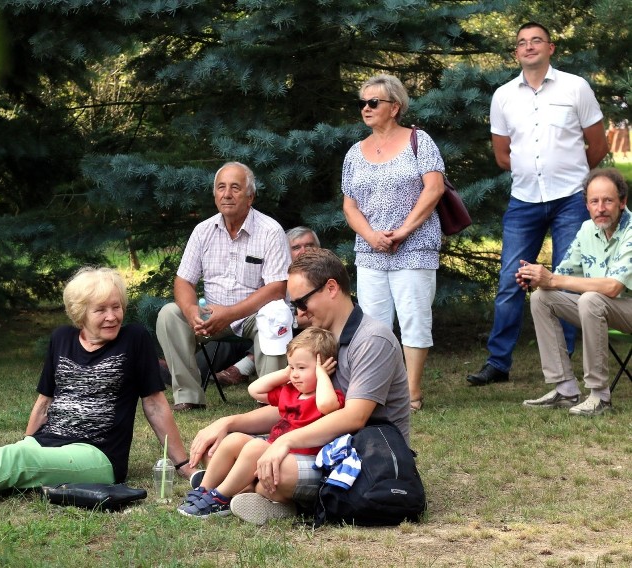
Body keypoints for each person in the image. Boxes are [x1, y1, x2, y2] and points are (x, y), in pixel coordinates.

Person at [0, 267, 195, 510]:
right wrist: (27, 443)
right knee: (13, 465)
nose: (112, 316)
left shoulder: (134, 339)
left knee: (16, 463)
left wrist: (182, 463)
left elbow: (154, 403)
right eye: (101, 309)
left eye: (116, 307)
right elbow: (44, 402)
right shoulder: (61, 339)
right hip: (48, 441)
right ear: (81, 312)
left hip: (98, 456)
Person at [187, 248, 409, 525]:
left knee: (278, 471)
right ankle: (251, 491)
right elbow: (295, 408)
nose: (299, 313)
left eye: (302, 303)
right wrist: (230, 423)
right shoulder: (320, 339)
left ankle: (256, 492)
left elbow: (355, 417)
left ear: (331, 288)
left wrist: (285, 441)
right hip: (319, 444)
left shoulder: (372, 340)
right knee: (222, 450)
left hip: (362, 456)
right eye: (295, 306)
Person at [467, 21, 609, 387]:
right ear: (516, 52)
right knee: (510, 282)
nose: (529, 47)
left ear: (551, 47)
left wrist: (571, 173)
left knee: (566, 281)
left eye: (536, 41)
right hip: (524, 201)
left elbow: (598, 146)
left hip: (571, 200)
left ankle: (564, 362)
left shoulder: (575, 87)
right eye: (522, 43)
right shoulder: (503, 96)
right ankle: (498, 363)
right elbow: (502, 155)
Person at [341, 74, 446, 412]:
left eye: (374, 102)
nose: (366, 108)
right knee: (374, 323)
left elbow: (434, 189)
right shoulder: (355, 153)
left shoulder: (420, 141)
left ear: (395, 107)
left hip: (414, 247)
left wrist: (403, 231)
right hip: (370, 252)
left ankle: (412, 394)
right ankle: (378, 392)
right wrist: (371, 236)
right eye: (362, 103)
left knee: (414, 318)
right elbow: (349, 204)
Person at [156, 162, 292, 410]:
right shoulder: (203, 230)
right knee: (169, 315)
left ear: (250, 196)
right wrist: (191, 313)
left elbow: (276, 289)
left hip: (254, 314)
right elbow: (183, 280)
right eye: (221, 187)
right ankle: (189, 396)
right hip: (210, 315)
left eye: (235, 188)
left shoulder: (271, 231)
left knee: (275, 314)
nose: (227, 194)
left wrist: (229, 314)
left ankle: (269, 402)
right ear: (215, 195)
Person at [177, 327, 344, 517]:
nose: (295, 374)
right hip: (273, 449)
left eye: (302, 368)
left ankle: (220, 497)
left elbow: (326, 405)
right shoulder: (290, 392)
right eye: (292, 367)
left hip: (296, 457)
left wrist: (322, 375)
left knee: (255, 447)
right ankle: (205, 490)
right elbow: (255, 390)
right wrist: (285, 373)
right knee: (234, 440)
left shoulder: (328, 395)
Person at [518, 169, 632, 416]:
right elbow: (560, 277)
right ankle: (566, 389)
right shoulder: (586, 230)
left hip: (626, 308)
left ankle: (600, 395)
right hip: (600, 308)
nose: (600, 208)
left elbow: (613, 287)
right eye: (594, 201)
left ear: (622, 202)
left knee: (591, 299)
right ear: (587, 205)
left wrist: (554, 279)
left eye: (608, 200)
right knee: (542, 298)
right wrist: (535, 278)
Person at [215, 226, 321, 386]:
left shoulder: (326, 275)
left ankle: (242, 368)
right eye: (296, 247)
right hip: (272, 327)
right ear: (285, 252)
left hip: (306, 331)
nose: (304, 251)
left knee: (279, 326)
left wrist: (291, 321)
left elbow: (320, 316)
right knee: (272, 325)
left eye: (309, 245)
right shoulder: (276, 276)